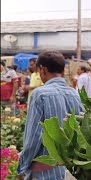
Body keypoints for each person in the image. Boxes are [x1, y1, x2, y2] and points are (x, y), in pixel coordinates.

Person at [17, 50, 83, 180]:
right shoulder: (74, 94)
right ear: (62, 71)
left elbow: (33, 138)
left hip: (43, 171)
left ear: (43, 70)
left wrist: (22, 166)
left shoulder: (40, 94)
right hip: (68, 168)